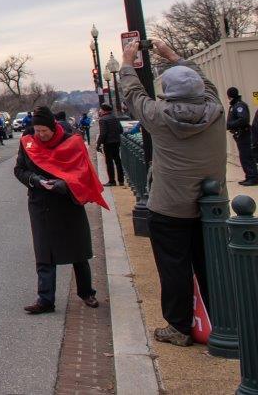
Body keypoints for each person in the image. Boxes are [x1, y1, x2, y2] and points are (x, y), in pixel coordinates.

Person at [117, 38, 226, 346]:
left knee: (174, 267)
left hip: (170, 205)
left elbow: (133, 93)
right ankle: (219, 317)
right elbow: (203, 80)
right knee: (212, 262)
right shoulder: (216, 109)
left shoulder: (158, 117)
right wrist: (172, 55)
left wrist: (127, 60)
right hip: (212, 202)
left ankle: (179, 327)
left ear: (168, 93)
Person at [15, 107, 105, 314]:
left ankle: (86, 292)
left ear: (53, 127)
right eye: (37, 131)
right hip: (41, 202)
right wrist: (35, 180)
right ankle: (45, 299)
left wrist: (64, 184)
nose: (40, 135)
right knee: (44, 252)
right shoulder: (27, 143)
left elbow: (82, 172)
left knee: (77, 250)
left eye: (44, 131)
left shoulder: (71, 142)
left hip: (67, 202)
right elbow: (19, 170)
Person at [226, 87, 258, 185]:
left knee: (246, 156)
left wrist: (229, 125)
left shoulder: (239, 106)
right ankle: (249, 176)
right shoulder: (234, 105)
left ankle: (253, 178)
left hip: (244, 134)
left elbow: (243, 119)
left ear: (229, 96)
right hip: (240, 135)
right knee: (244, 157)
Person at [94, 104, 125, 186]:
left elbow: (103, 133)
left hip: (108, 143)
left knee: (109, 162)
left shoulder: (103, 120)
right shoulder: (115, 118)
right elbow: (121, 130)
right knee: (118, 161)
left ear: (104, 110)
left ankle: (112, 181)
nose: (100, 111)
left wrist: (98, 144)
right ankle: (121, 180)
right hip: (116, 141)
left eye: (100, 109)